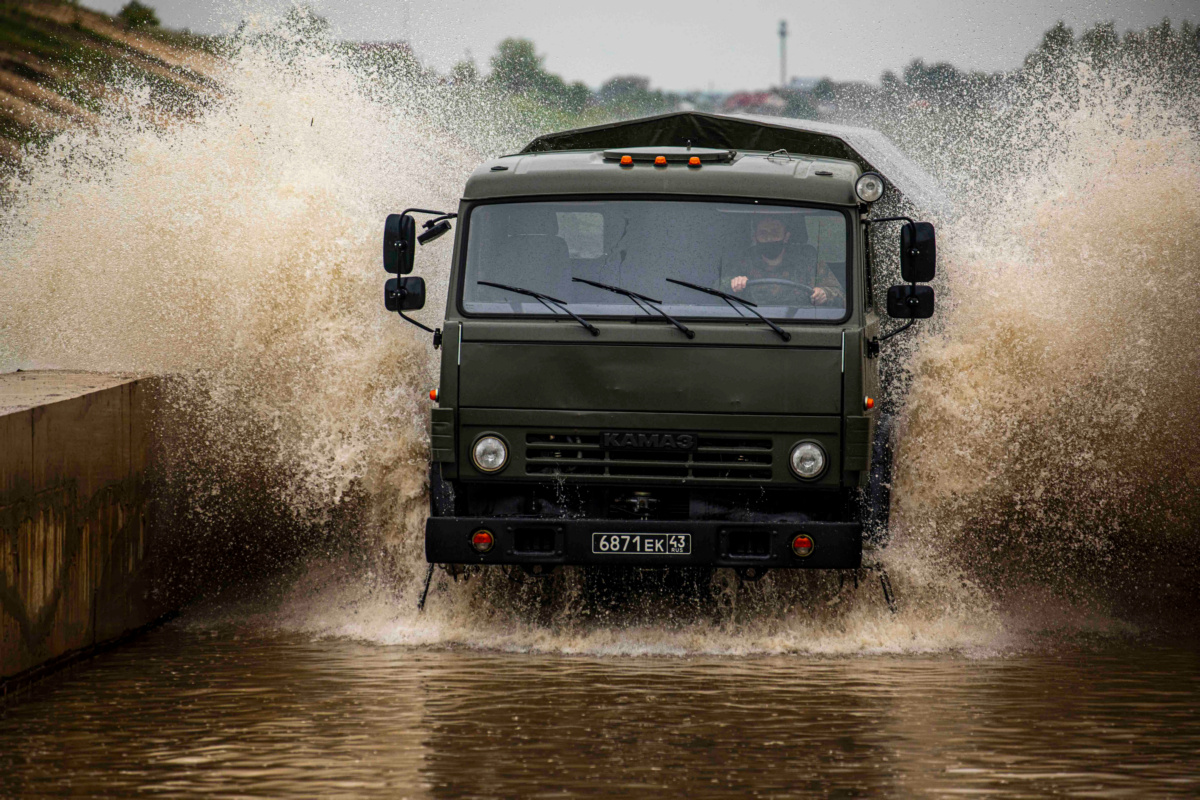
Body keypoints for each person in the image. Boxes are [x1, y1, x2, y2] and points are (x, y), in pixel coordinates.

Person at [723, 216, 845, 307]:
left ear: (786, 236)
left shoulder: (807, 259)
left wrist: (825, 294)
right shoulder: (744, 259)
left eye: (775, 232)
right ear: (755, 237)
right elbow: (718, 291)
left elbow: (840, 295)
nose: (769, 238)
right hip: (752, 322)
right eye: (763, 233)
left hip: (801, 322)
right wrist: (733, 284)